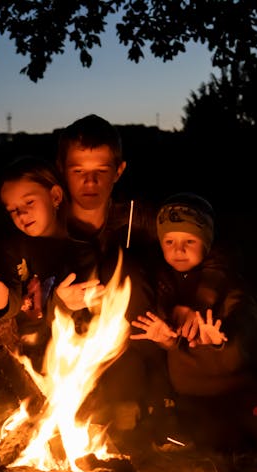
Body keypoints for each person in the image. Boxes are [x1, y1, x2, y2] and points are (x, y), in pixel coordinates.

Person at [130, 192, 257, 457]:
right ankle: (228, 441)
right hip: (193, 399)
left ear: (207, 243)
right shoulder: (165, 288)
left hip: (239, 393)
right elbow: (174, 349)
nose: (179, 249)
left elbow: (238, 355)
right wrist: (167, 341)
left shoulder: (230, 290)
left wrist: (220, 342)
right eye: (170, 241)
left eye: (189, 240)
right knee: (197, 434)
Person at [51, 114, 170, 438]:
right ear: (61, 169)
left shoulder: (140, 218)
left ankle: (139, 397)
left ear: (118, 171)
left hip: (135, 351)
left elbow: (204, 248)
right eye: (79, 172)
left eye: (100, 172)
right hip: (67, 353)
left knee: (124, 267)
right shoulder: (46, 223)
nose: (90, 183)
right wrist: (58, 302)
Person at [0, 155, 95, 401]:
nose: (22, 214)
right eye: (13, 210)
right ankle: (8, 401)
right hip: (27, 339)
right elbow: (15, 295)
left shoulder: (79, 248)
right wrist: (4, 300)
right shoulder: (14, 248)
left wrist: (63, 302)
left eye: (29, 202)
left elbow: (92, 305)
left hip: (65, 344)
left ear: (55, 197)